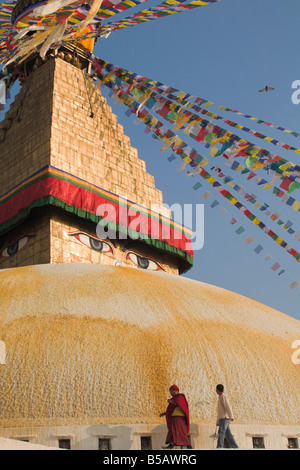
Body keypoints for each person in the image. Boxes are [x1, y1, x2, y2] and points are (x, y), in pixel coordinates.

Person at [160, 384, 191, 449]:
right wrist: (164, 413)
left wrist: (171, 401)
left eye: (172, 391)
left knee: (181, 431)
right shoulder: (174, 399)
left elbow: (179, 405)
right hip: (174, 417)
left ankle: (189, 446)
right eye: (170, 391)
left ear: (176, 391)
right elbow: (170, 409)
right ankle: (171, 445)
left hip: (179, 417)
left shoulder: (180, 397)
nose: (171, 393)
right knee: (172, 430)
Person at [215, 384, 239, 449]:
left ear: (217, 390)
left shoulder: (223, 396)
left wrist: (231, 416)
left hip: (224, 417)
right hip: (222, 418)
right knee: (228, 433)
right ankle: (235, 446)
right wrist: (217, 421)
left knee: (221, 432)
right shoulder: (220, 397)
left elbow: (227, 406)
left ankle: (220, 447)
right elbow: (220, 411)